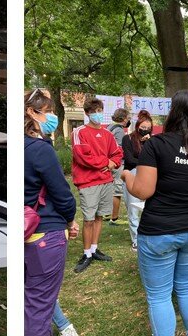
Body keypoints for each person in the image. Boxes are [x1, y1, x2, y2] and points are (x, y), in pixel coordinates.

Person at [122, 90, 188, 336]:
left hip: (159, 231)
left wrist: (126, 176)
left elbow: (143, 191)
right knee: (187, 286)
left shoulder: (157, 144)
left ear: (174, 112)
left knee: (159, 296)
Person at [24, 90, 78, 336]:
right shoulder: (39, 150)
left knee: (28, 297)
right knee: (38, 304)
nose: (53, 117)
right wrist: (70, 219)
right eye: (48, 112)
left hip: (25, 232)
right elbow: (62, 193)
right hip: (45, 233)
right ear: (30, 112)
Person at [70, 98, 123, 273]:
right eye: (94, 111)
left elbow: (117, 153)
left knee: (100, 216)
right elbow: (82, 157)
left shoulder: (107, 134)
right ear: (87, 113)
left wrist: (112, 163)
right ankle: (86, 253)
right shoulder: (79, 132)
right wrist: (105, 163)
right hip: (88, 182)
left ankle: (94, 248)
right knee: (88, 219)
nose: (97, 114)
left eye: (100, 110)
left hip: (105, 181)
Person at [121, 111, 155, 250]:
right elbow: (130, 159)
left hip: (150, 176)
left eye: (148, 128)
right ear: (137, 126)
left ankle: (149, 235)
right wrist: (143, 152)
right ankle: (135, 239)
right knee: (133, 208)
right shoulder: (128, 139)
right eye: (143, 127)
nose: (145, 130)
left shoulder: (153, 141)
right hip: (133, 174)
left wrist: (148, 144)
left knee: (150, 207)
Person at [107, 108, 129, 225]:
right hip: (117, 163)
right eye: (127, 118)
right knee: (117, 190)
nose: (128, 120)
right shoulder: (119, 130)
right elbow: (120, 149)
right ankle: (114, 218)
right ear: (123, 118)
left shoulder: (110, 127)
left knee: (110, 189)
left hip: (109, 162)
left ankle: (107, 213)